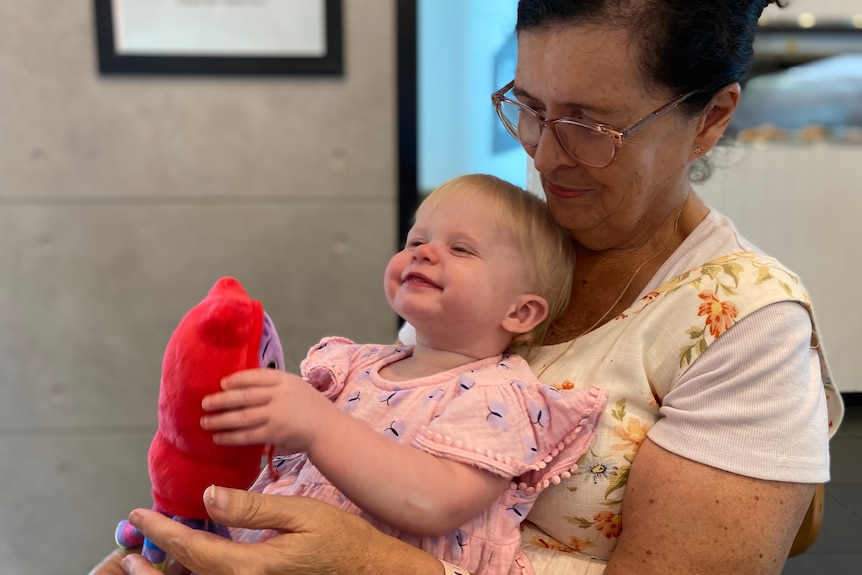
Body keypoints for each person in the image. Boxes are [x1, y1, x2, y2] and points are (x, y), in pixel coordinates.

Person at [93, 1, 845, 574]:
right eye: (529, 106)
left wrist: (371, 563)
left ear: (711, 118)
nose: (547, 156)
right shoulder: (511, 239)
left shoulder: (745, 323)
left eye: (590, 125)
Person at [101, 173, 608, 575]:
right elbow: (290, 463)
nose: (423, 252)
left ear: (520, 314)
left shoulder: (502, 394)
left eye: (461, 249)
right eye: (416, 239)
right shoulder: (356, 365)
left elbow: (433, 501)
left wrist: (318, 426)